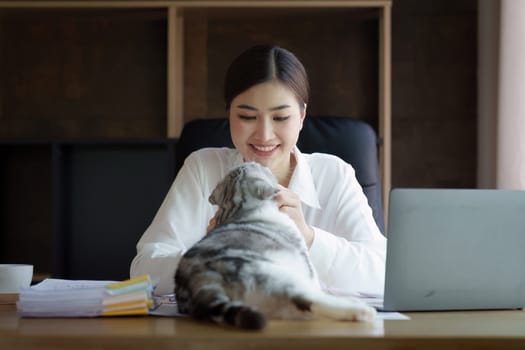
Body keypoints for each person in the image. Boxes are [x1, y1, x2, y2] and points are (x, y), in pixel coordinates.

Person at [130, 45, 386, 297]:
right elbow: (144, 270)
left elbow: (381, 274)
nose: (264, 135)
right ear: (228, 113)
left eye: (280, 118)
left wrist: (308, 238)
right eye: (247, 117)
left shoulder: (334, 174)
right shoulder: (203, 168)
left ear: (301, 116)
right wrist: (212, 253)